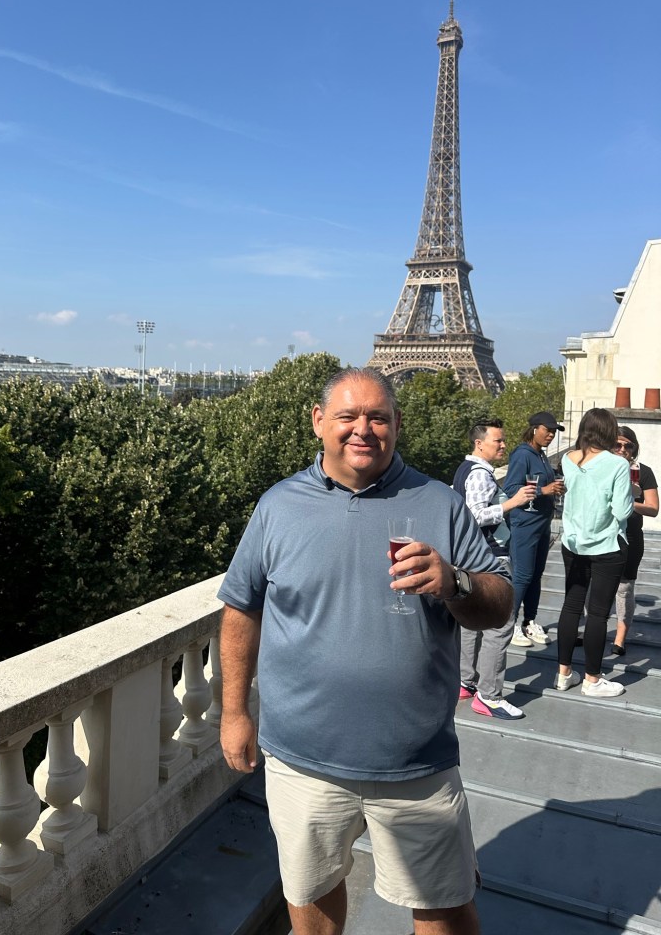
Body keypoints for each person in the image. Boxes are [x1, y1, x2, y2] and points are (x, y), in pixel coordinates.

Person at [218, 367, 512, 935]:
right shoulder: (279, 505)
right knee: (310, 900)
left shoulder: (440, 502)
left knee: (446, 908)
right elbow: (241, 609)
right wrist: (233, 712)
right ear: (318, 421)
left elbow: (499, 603)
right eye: (348, 416)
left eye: (377, 417)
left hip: (416, 762)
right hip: (301, 759)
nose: (363, 429)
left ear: (397, 424)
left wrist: (455, 582)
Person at [453, 418, 536, 720]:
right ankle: (489, 696)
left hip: (469, 556)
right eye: (497, 441)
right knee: (501, 622)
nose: (503, 445)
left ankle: (465, 681)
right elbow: (474, 516)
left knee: (470, 619)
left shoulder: (465, 469)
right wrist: (512, 502)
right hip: (488, 558)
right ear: (479, 443)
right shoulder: (480, 475)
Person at [555, 408, 633, 698]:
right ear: (609, 431)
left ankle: (563, 674)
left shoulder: (568, 459)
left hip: (573, 544)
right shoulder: (617, 464)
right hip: (607, 545)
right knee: (598, 614)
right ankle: (592, 679)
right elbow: (622, 511)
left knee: (571, 606)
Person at [503, 412, 566, 647]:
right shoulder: (522, 454)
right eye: (547, 430)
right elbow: (511, 488)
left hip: (542, 523)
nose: (551, 435)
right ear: (534, 429)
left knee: (536, 575)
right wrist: (543, 490)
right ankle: (509, 625)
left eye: (554, 432)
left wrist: (555, 487)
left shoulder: (540, 455)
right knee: (522, 575)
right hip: (525, 524)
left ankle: (529, 622)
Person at [611, 425, 658, 655]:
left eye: (628, 446)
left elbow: (653, 508)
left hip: (630, 536)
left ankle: (619, 639)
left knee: (625, 588)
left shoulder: (643, 472)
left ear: (634, 448)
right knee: (594, 586)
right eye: (617, 444)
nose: (622, 449)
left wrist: (629, 502)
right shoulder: (602, 468)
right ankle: (592, 630)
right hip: (603, 534)